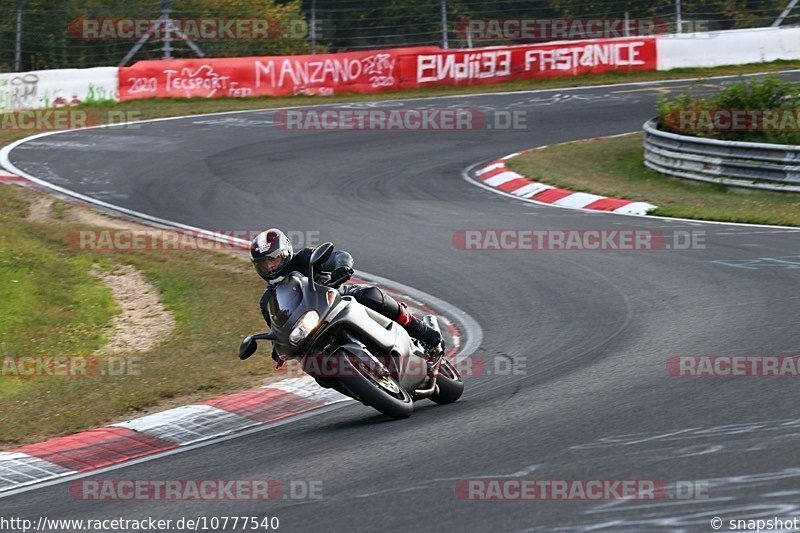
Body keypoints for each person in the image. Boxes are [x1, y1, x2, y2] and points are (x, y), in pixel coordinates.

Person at [250, 229, 443, 361]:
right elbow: (277, 328)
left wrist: (341, 267)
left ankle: (421, 330)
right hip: (311, 325)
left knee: (370, 295)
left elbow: (339, 256)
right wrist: (277, 348)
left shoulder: (304, 258)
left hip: (338, 297)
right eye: (264, 264)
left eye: (273, 260)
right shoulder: (268, 300)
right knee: (311, 363)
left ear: (285, 252)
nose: (270, 267)